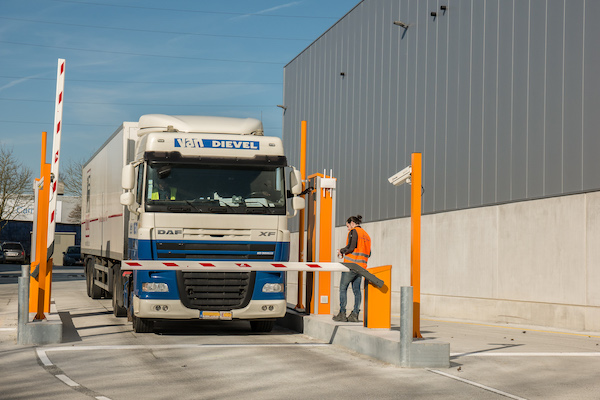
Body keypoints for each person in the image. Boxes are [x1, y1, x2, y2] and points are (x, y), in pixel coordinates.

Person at [333, 215, 371, 322]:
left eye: (348, 226)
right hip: (361, 267)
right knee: (357, 290)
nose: (348, 228)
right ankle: (355, 314)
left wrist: (341, 251)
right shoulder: (366, 235)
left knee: (343, 288)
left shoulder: (354, 232)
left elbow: (351, 247)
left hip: (351, 266)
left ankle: (342, 313)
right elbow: (369, 253)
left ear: (352, 223)